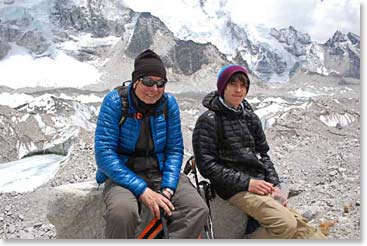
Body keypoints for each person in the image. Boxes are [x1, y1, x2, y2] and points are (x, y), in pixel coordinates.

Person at [192, 64, 326, 239]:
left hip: (260, 183)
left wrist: (276, 186)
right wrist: (247, 183)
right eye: (233, 84)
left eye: (243, 85)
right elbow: (207, 166)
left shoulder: (250, 117)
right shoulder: (208, 120)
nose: (238, 90)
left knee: (309, 235)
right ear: (222, 87)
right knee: (286, 224)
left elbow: (263, 154)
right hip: (233, 188)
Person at [94, 49, 209, 239]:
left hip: (160, 170)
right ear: (135, 80)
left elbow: (174, 149)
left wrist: (169, 187)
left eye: (160, 83)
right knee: (122, 214)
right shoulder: (115, 102)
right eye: (148, 81)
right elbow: (104, 154)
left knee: (197, 209)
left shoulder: (168, 103)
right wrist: (142, 191)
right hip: (123, 174)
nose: (154, 89)